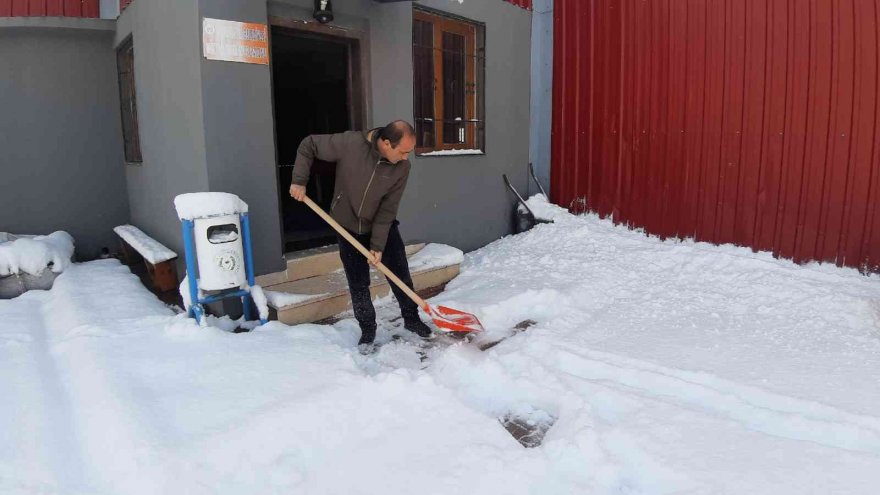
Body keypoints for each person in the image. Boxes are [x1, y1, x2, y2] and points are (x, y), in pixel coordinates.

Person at [289, 120, 432, 346]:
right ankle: (368, 329)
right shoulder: (350, 143)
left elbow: (387, 208)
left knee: (400, 273)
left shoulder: (402, 168)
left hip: (381, 225)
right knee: (358, 281)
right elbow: (309, 145)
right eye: (404, 151)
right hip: (347, 226)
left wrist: (377, 246)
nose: (406, 157)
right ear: (386, 143)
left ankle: (412, 319)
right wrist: (299, 180)